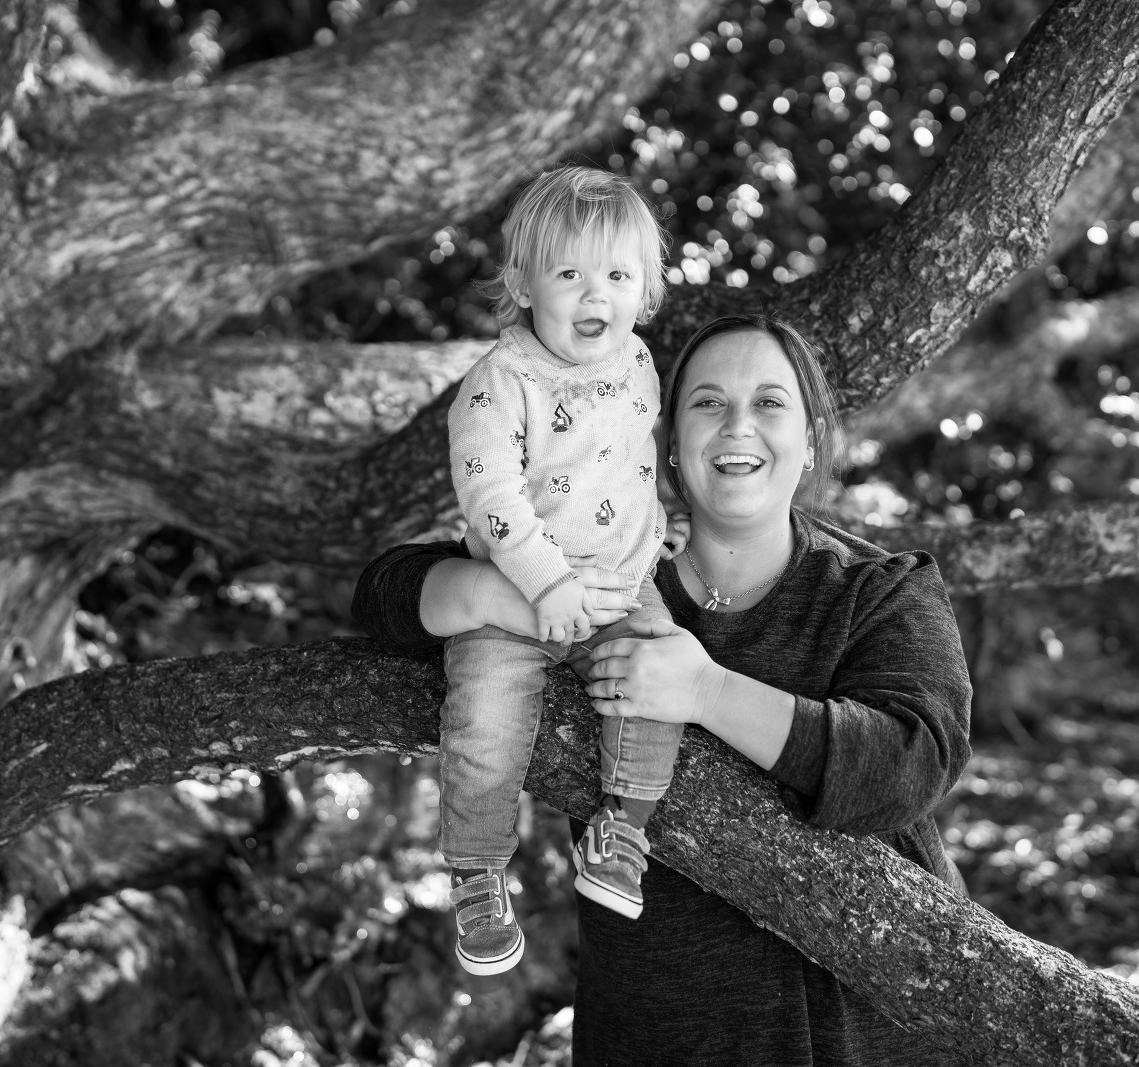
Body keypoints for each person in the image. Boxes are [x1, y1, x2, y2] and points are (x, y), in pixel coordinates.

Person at [353, 314, 973, 1064]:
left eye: (770, 402)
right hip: (662, 1033)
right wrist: (499, 594)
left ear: (809, 438)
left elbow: (911, 762)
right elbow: (383, 595)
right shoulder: (593, 575)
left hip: (863, 1036)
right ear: (667, 442)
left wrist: (705, 691)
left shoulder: (881, 589)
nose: (738, 425)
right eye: (708, 402)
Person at [433, 165, 687, 976]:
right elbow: (490, 494)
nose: (594, 295)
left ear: (644, 289)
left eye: (617, 276)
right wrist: (547, 583)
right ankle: (477, 869)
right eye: (569, 274)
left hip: (617, 588)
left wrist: (661, 523)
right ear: (522, 284)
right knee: (486, 711)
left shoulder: (638, 362)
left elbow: (635, 458)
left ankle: (622, 828)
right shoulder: (500, 383)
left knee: (658, 673)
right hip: (515, 594)